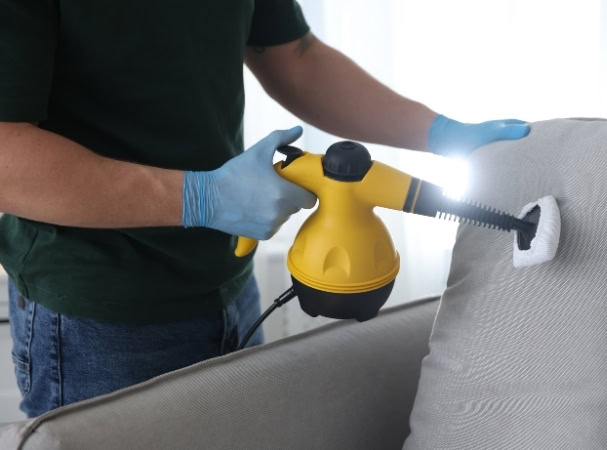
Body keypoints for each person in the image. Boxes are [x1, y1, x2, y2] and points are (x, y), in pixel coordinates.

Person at [0, 0, 530, 417]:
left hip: (227, 278)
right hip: (99, 312)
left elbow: (293, 55)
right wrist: (199, 197)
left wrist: (439, 133)